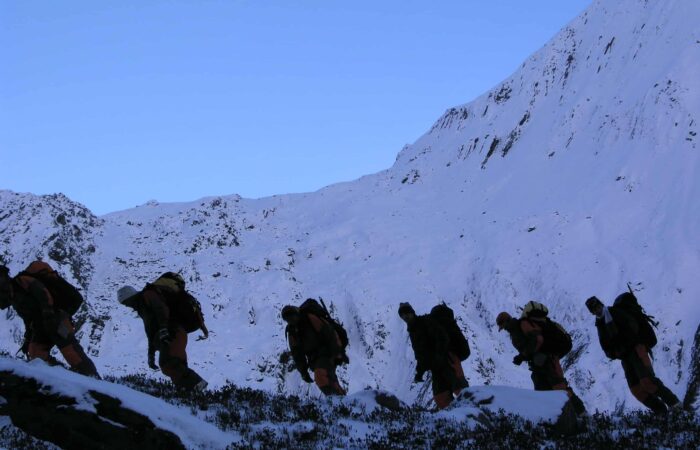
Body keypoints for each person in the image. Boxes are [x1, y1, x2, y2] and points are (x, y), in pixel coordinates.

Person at [0, 262, 99, 377]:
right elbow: (28, 320)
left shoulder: (23, 281)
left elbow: (43, 294)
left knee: (70, 349)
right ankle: (58, 376)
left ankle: (91, 377)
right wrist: (28, 339)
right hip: (42, 325)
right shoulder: (15, 299)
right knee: (36, 353)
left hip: (57, 318)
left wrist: (48, 315)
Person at [585, 296, 680, 413]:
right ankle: (660, 411)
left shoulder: (615, 313)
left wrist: (623, 343)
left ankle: (675, 404)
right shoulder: (600, 323)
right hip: (624, 357)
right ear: (591, 312)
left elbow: (632, 327)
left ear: (601, 304)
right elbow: (605, 345)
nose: (597, 310)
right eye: (594, 309)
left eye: (598, 306)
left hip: (636, 349)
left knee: (648, 381)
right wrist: (614, 353)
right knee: (636, 390)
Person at [118, 272, 208, 392]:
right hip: (173, 333)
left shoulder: (147, 295)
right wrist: (151, 354)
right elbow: (150, 331)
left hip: (174, 331)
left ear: (128, 297)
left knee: (169, 363)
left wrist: (164, 329)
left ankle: (196, 386)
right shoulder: (142, 307)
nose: (126, 306)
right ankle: (187, 393)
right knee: (173, 365)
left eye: (125, 302)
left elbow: (161, 309)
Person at [496, 302, 585, 414]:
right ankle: (555, 419)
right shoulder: (515, 331)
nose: (504, 329)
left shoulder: (522, 324)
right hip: (538, 364)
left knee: (560, 388)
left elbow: (538, 340)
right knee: (543, 394)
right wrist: (522, 357)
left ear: (507, 321)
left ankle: (581, 413)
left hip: (548, 360)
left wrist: (522, 356)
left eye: (503, 326)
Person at [399, 302, 466, 409]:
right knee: (441, 398)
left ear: (412, 312)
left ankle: (480, 417)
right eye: (402, 315)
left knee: (462, 392)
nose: (405, 316)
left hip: (449, 360)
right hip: (436, 367)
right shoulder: (413, 331)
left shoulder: (426, 322)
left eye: (407, 313)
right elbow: (421, 354)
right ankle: (456, 421)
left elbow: (443, 338)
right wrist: (420, 371)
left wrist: (439, 356)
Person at [281, 304, 345, 396]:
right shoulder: (292, 331)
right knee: (329, 379)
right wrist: (303, 372)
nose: (290, 319)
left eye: (291, 316)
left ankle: (338, 401)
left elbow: (329, 333)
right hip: (314, 359)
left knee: (321, 377)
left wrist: (338, 353)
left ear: (296, 313)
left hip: (327, 353)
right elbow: (297, 354)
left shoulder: (309, 318)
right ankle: (343, 402)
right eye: (287, 319)